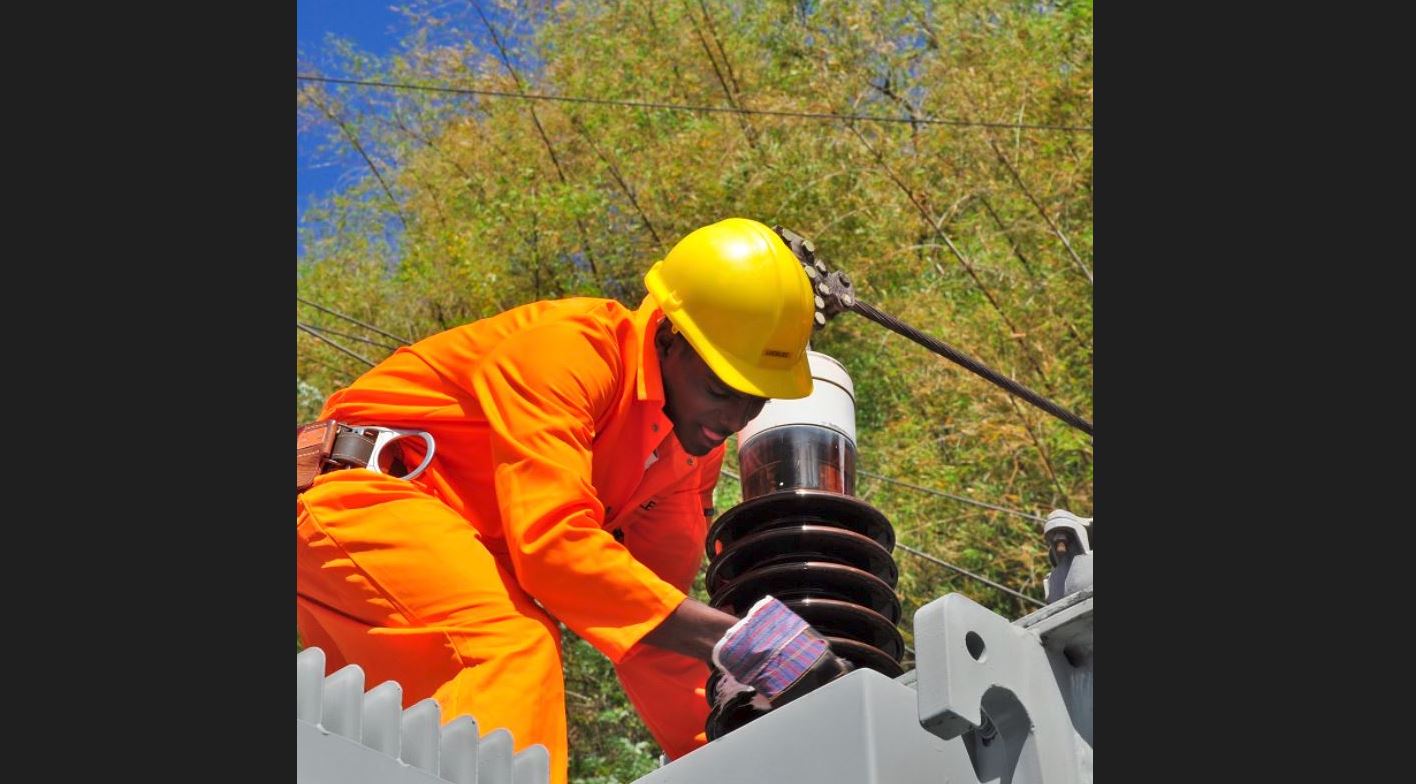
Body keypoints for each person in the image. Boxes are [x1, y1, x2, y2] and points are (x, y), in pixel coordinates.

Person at [296, 217, 848, 783]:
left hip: (442, 557)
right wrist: (731, 640)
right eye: (719, 390)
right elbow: (553, 549)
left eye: (753, 403)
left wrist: (732, 740)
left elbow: (648, 616)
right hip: (362, 498)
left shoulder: (689, 454)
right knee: (510, 646)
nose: (732, 420)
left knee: (380, 747)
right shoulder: (570, 352)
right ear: (667, 336)